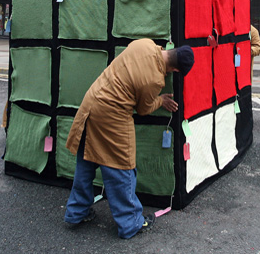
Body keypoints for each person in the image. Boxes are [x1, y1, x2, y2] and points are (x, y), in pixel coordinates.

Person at [63, 40, 193, 239]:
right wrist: (161, 100)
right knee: (122, 167)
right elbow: (142, 108)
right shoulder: (154, 80)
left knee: (87, 161)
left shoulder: (145, 44)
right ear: (175, 69)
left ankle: (76, 212)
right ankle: (130, 222)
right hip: (112, 115)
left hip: (91, 102)